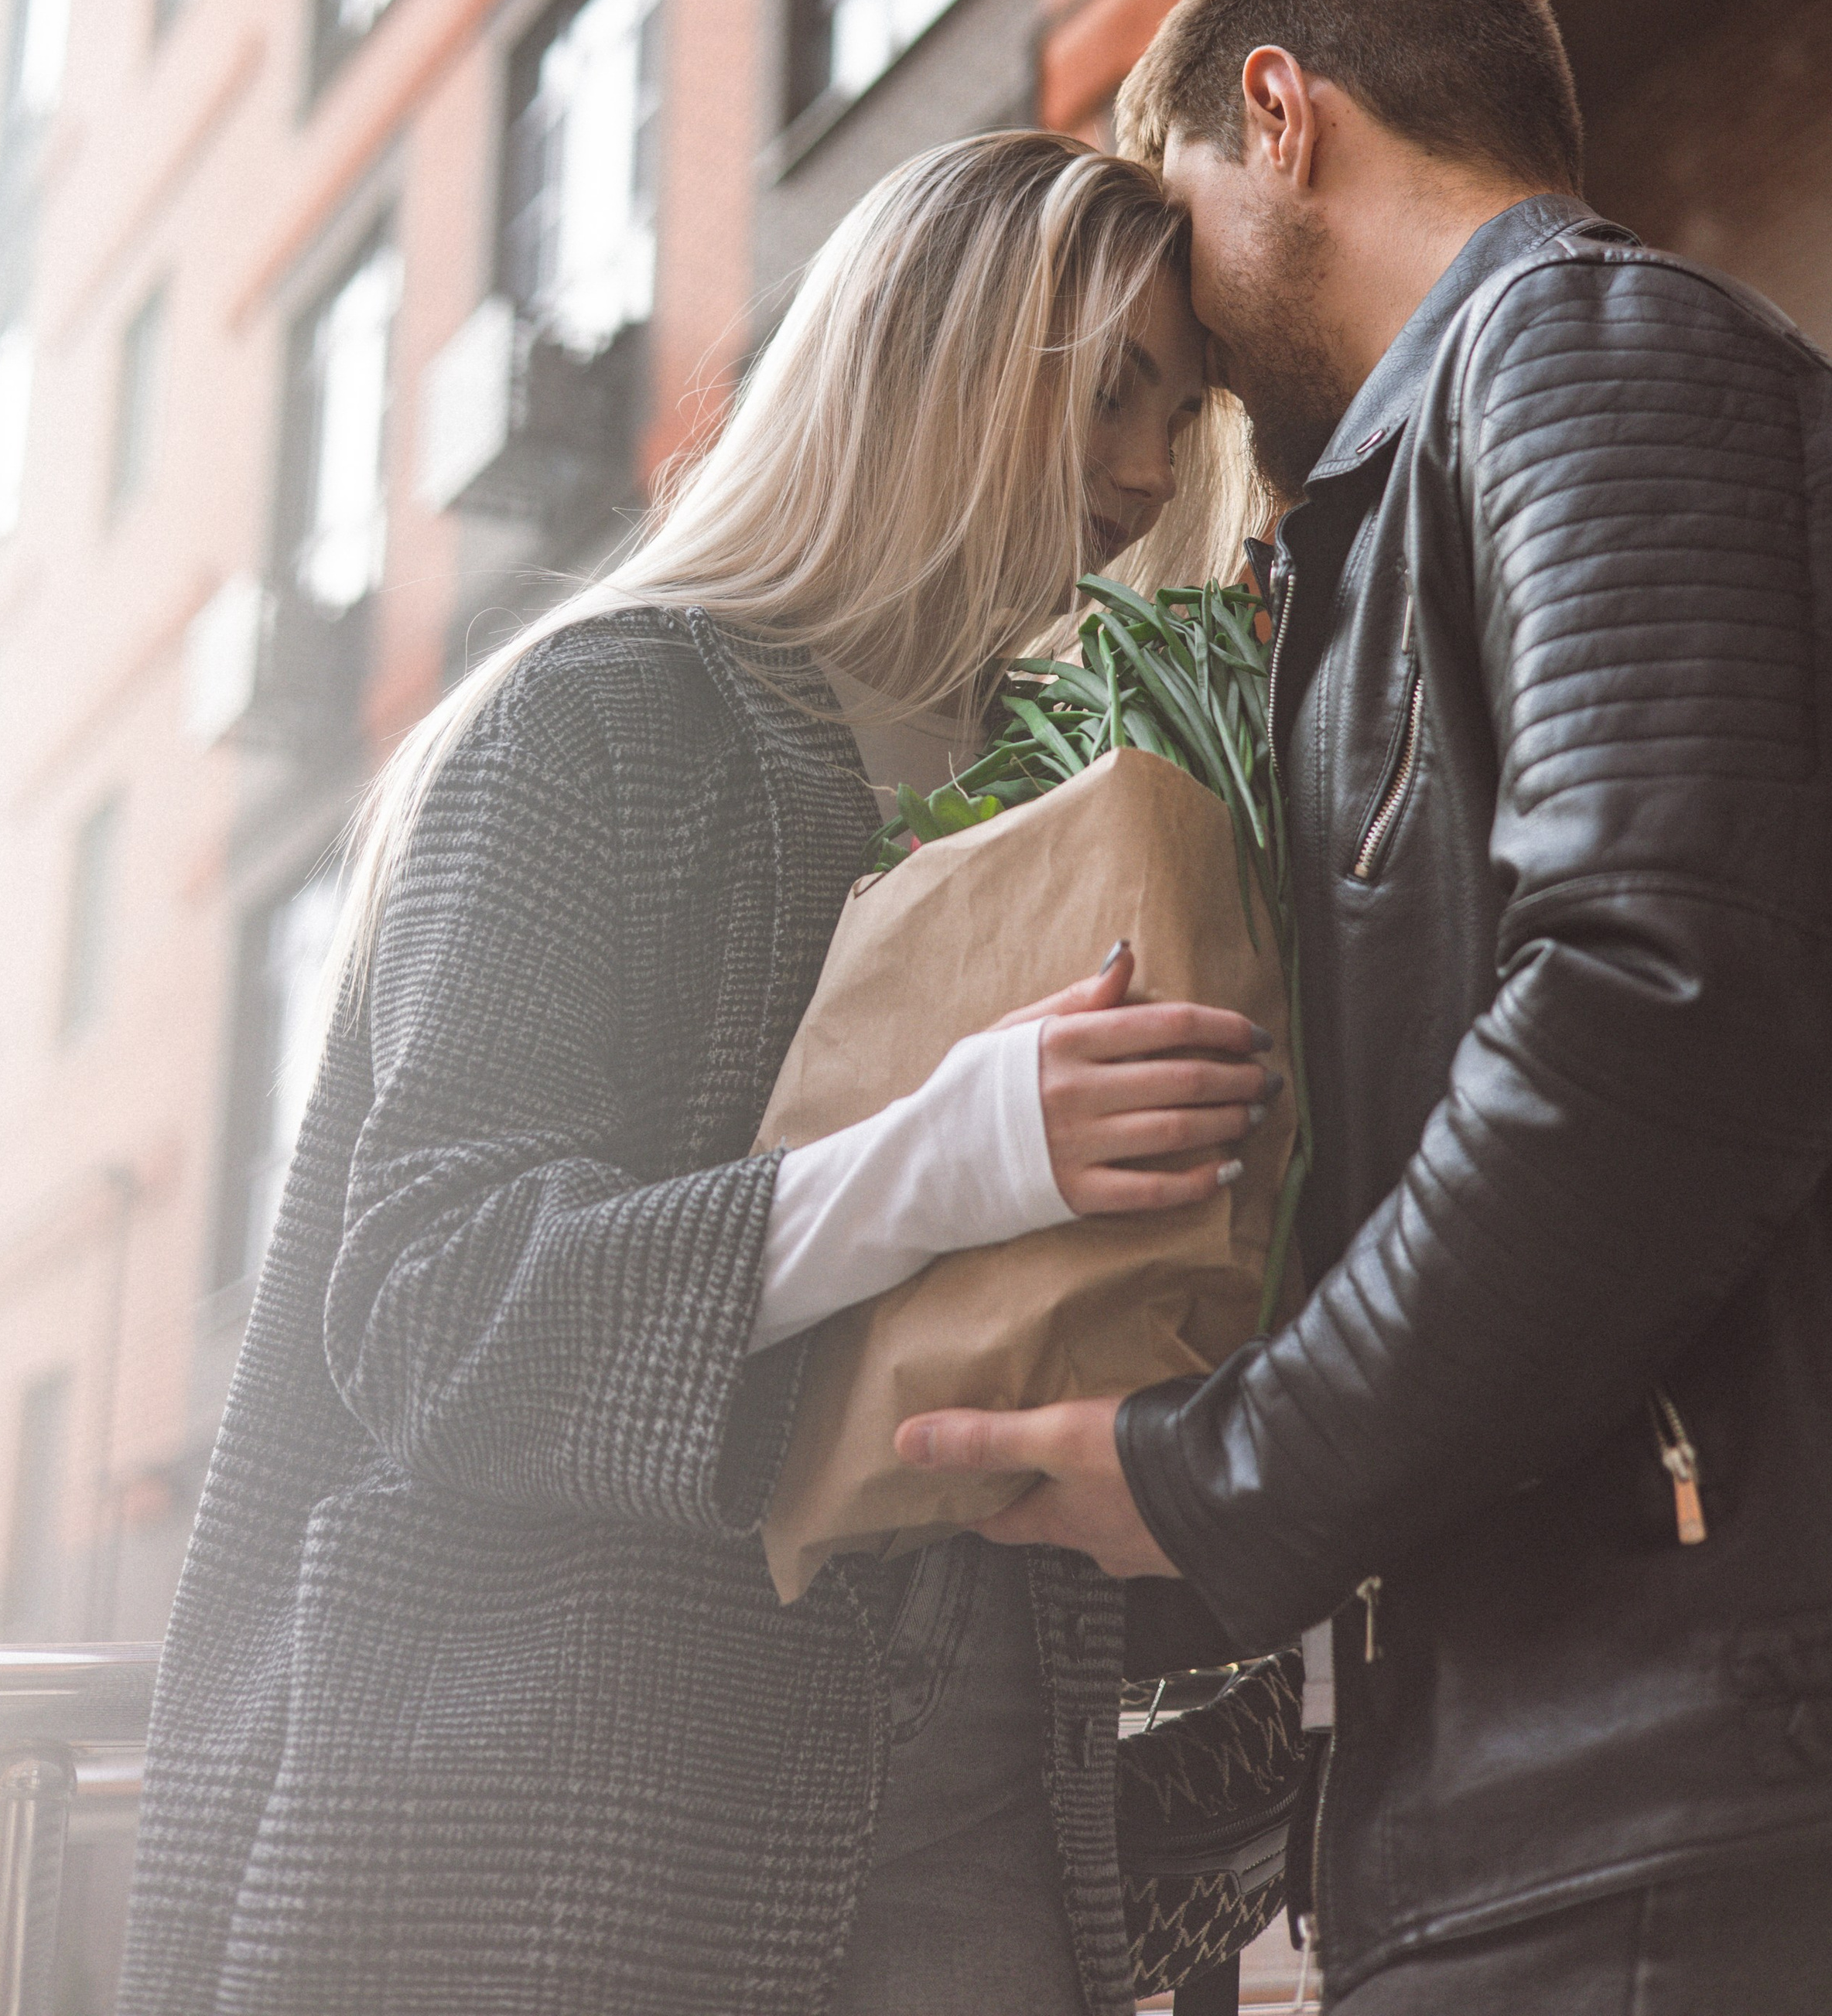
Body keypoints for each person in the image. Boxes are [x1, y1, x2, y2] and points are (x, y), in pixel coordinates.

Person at [116, 132, 1273, 2016]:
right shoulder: (600, 717)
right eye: (1109, 391)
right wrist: (940, 1159)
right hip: (582, 1865)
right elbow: (427, 1303)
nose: (1147, 473)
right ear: (933, 362)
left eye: (1180, 410)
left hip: (993, 1853)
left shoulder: (1076, 779)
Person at [897, 0, 1832, 2011]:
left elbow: (1660, 1002)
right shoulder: (1409, 495)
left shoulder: (1582, 348)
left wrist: (1229, 1475)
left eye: (1176, 215)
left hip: (1662, 1803)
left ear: (1278, 113)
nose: (1189, 355)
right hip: (1556, 1803)